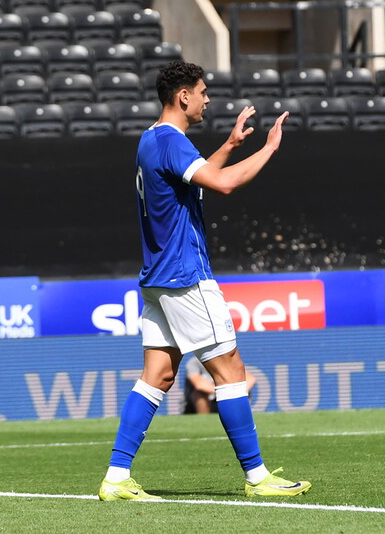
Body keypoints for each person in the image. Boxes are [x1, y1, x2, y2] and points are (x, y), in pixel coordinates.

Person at [98, 60, 311, 501]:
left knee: (156, 376)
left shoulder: (152, 140)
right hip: (185, 277)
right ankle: (258, 478)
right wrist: (269, 148)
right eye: (203, 91)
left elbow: (194, 180)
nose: (207, 98)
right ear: (183, 97)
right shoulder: (171, 142)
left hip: (158, 278)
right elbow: (223, 185)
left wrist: (230, 143)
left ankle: (116, 478)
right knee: (231, 372)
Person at [184, 356, 256, 414]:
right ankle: (203, 421)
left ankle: (240, 418)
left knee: (242, 388)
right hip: (206, 400)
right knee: (199, 394)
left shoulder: (226, 361)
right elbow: (199, 384)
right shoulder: (194, 362)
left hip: (226, 398)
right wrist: (223, 391)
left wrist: (234, 392)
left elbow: (250, 379)